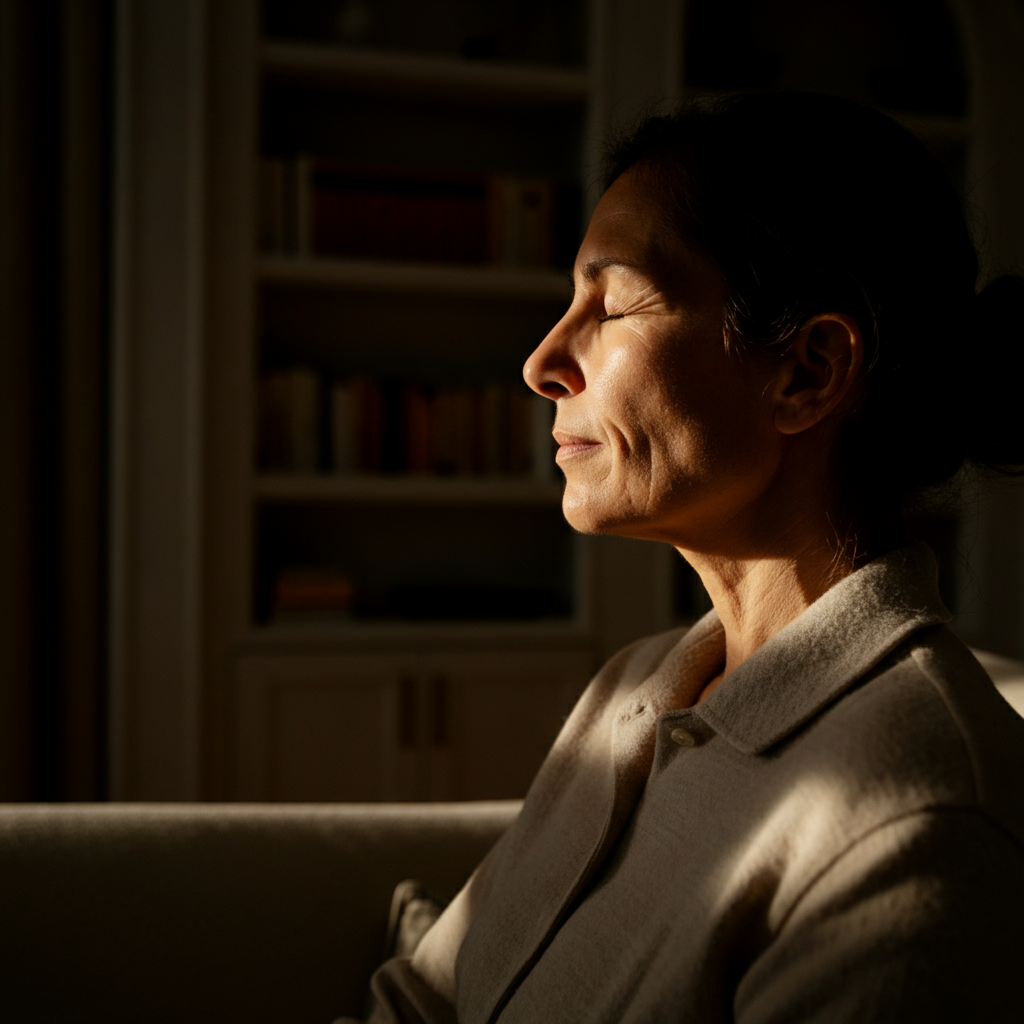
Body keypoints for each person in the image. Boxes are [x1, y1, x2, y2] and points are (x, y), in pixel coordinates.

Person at [354, 93, 1024, 1022]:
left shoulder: (919, 823)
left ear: (808, 372)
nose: (543, 360)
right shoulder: (631, 691)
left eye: (614, 300)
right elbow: (423, 999)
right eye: (568, 301)